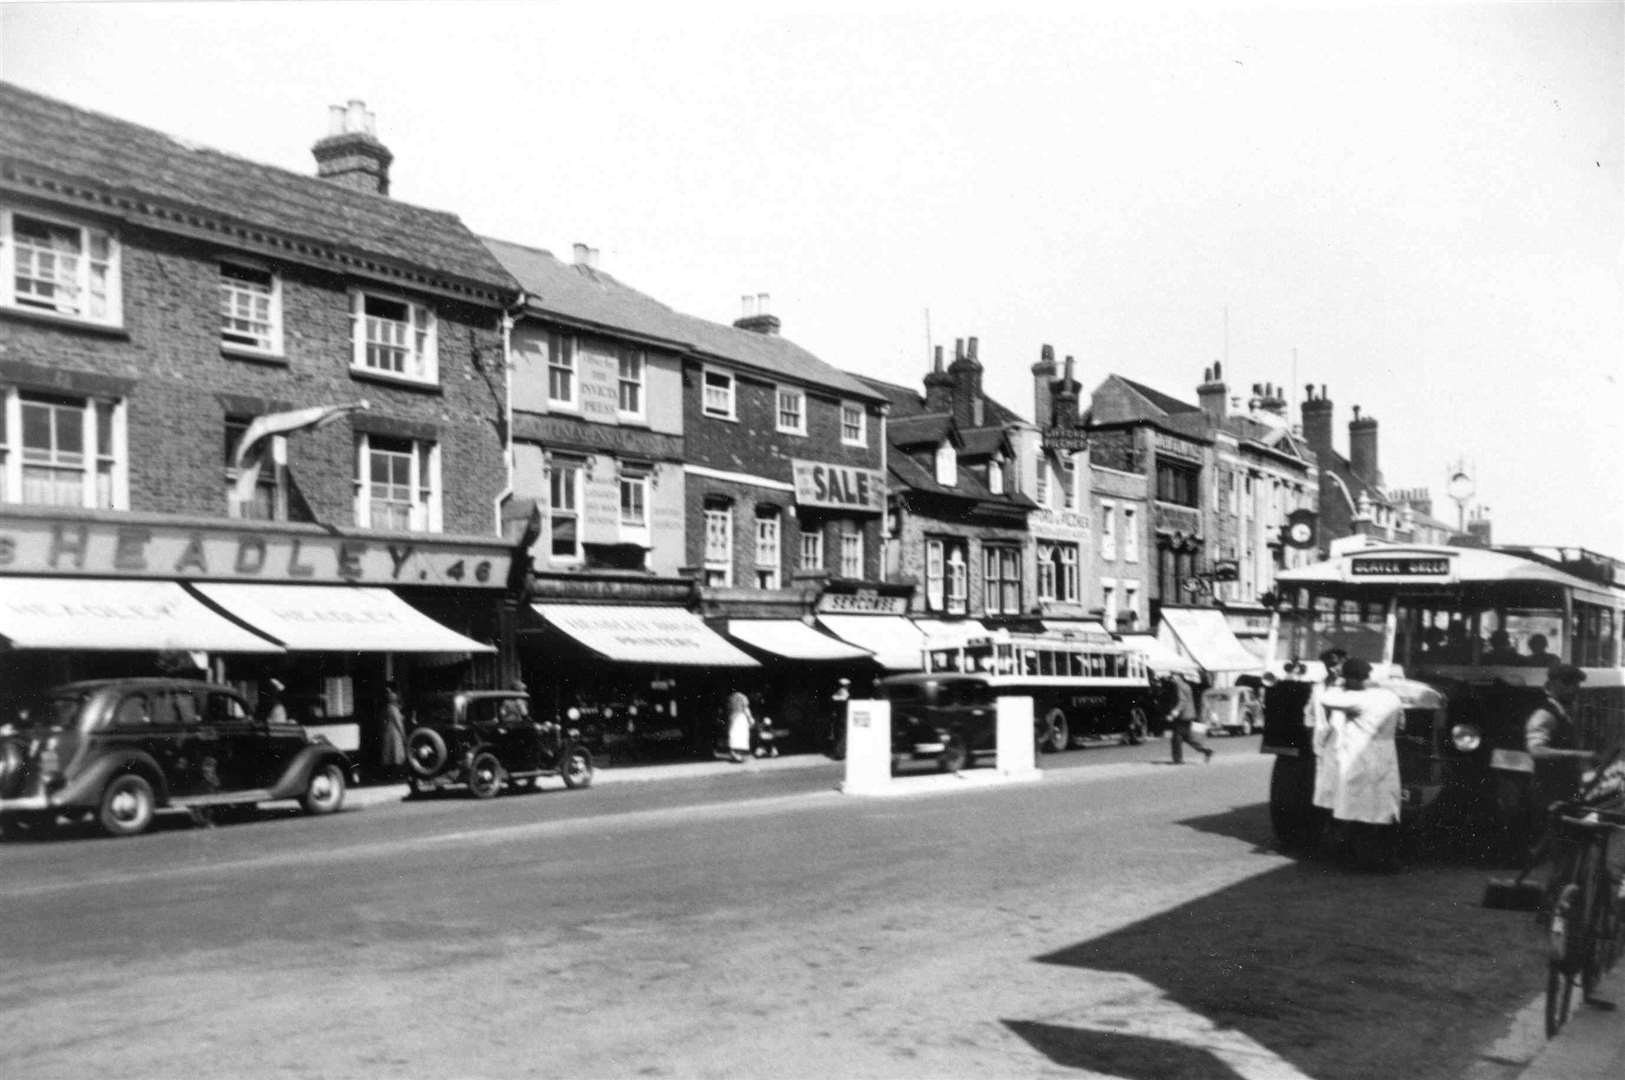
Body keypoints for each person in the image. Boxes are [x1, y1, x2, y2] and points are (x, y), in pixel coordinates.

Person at [1320, 658, 1405, 870]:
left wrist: (1339, 682)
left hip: (1360, 755)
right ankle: (1386, 859)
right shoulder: (1390, 696)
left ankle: (1356, 858)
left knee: (1356, 808)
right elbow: (1402, 724)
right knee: (1384, 808)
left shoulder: (1357, 701)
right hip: (1386, 754)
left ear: (1352, 679)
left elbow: (1326, 698)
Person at [1306, 648, 1348, 824]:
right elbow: (1310, 713)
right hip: (1323, 745)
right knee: (1324, 793)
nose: (1332, 669)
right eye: (1328, 665)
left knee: (1343, 793)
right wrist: (1313, 734)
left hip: (1343, 745)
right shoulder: (1318, 687)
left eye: (1335, 665)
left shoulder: (1349, 687)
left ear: (1344, 663)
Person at [1162, 673, 1211, 765]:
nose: (1171, 679)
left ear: (1178, 678)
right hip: (1189, 715)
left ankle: (1178, 759)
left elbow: (1182, 701)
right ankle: (1205, 750)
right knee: (1187, 737)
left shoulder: (1179, 686)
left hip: (1183, 716)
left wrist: (1174, 713)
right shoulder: (1186, 685)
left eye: (1173, 677)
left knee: (1177, 737)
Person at [378, 681, 407, 782]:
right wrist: (404, 736)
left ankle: (390, 776)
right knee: (396, 757)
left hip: (388, 733)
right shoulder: (393, 709)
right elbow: (399, 723)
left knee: (390, 756)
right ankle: (395, 777)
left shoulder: (386, 709)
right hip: (395, 735)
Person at [723, 690, 753, 764]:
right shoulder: (742, 698)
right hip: (739, 718)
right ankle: (737, 754)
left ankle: (736, 754)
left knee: (735, 736)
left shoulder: (731, 699)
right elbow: (746, 709)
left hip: (735, 718)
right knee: (738, 736)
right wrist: (750, 718)